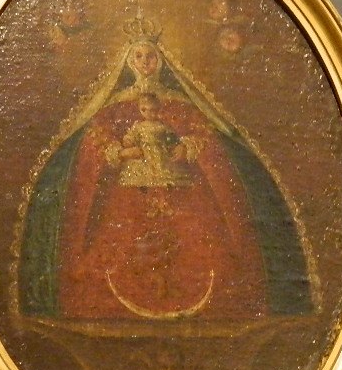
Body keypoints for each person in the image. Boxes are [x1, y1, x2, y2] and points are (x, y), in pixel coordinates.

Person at [18, 21, 311, 321]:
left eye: (151, 57)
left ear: (159, 61)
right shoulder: (116, 106)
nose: (145, 63)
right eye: (139, 56)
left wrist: (187, 146)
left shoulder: (179, 104)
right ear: (129, 62)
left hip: (179, 182)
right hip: (130, 186)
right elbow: (98, 136)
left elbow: (202, 131)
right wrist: (119, 151)